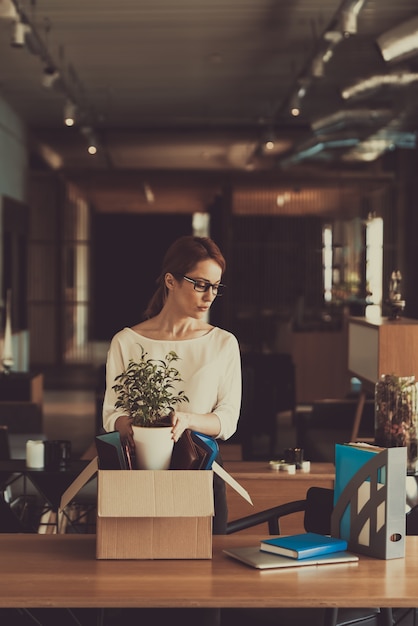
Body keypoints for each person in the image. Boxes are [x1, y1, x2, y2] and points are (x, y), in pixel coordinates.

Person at [102, 234, 242, 534]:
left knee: (203, 577)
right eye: (201, 284)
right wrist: (129, 423)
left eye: (215, 287)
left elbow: (228, 420)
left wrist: (188, 420)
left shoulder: (223, 343)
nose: (209, 296)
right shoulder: (126, 342)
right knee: (137, 574)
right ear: (170, 280)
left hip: (200, 475)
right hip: (139, 476)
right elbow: (111, 413)